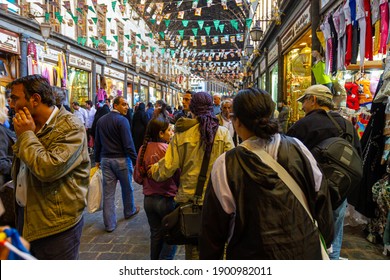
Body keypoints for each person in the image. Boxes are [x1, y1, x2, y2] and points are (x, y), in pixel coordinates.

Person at [199, 87, 332, 260]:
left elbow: (213, 231)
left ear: (236, 122)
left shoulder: (225, 164)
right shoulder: (298, 148)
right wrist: (324, 244)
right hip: (304, 251)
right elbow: (321, 197)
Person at [7, 74, 90, 259]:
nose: (11, 105)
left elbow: (48, 169)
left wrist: (27, 135)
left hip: (56, 225)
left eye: (14, 98)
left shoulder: (70, 126)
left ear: (35, 99)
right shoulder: (28, 125)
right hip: (26, 216)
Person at [148, 91, 234, 259]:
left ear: (193, 109)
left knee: (194, 251)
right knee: (220, 247)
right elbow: (231, 167)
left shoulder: (182, 134)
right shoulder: (223, 133)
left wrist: (152, 170)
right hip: (218, 200)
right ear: (211, 108)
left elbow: (167, 168)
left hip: (190, 202)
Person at [287, 84, 361, 260]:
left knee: (308, 237)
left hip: (309, 194)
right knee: (334, 239)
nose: (302, 106)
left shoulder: (304, 125)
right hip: (339, 193)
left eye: (304, 101)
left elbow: (288, 158)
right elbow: (357, 157)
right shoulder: (347, 125)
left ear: (313, 100)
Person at [133, 117, 179, 260]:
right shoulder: (167, 149)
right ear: (160, 133)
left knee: (156, 234)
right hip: (166, 198)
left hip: (149, 200)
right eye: (169, 131)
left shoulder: (143, 149)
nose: (171, 133)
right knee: (171, 237)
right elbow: (177, 174)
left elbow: (137, 177)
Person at [95, 96, 139, 233]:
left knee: (108, 194)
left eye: (127, 104)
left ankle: (110, 224)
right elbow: (128, 144)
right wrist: (136, 161)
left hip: (106, 160)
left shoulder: (101, 121)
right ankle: (129, 210)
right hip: (121, 159)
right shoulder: (122, 121)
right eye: (124, 104)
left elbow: (98, 142)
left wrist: (97, 159)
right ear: (115, 105)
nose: (127, 107)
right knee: (128, 188)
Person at [0, 94, 16, 227]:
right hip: (4, 189)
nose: (7, 108)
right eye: (4, 104)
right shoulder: (0, 130)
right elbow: (2, 162)